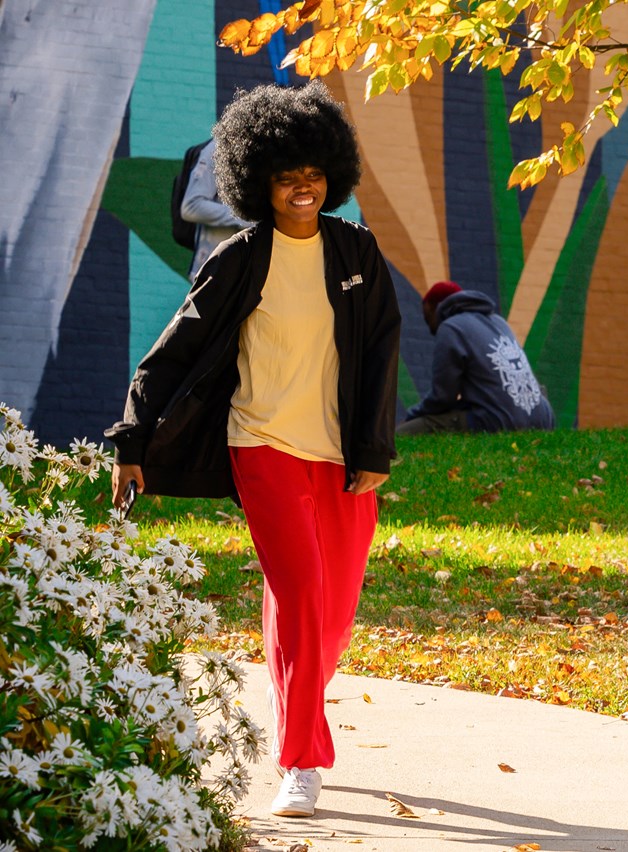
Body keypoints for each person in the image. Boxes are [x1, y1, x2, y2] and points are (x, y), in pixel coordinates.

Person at [105, 81, 401, 818]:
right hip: (260, 442)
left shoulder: (356, 252)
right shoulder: (241, 259)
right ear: (258, 181)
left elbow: (382, 354)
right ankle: (301, 760)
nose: (303, 186)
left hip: (341, 456)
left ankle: (299, 704)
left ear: (331, 175)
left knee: (329, 617)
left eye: (313, 173)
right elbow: (173, 352)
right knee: (300, 595)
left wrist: (374, 450)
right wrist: (132, 440)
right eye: (285, 175)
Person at [397, 281, 554, 434]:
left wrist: (412, 415)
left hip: (501, 422)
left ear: (433, 307)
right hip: (543, 419)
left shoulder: (450, 327)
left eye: (427, 318)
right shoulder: (499, 322)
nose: (431, 329)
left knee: (402, 433)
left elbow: (443, 398)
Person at [181, 138, 251, 281]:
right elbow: (191, 206)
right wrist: (243, 217)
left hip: (251, 274)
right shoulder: (218, 149)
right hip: (214, 274)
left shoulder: (273, 150)